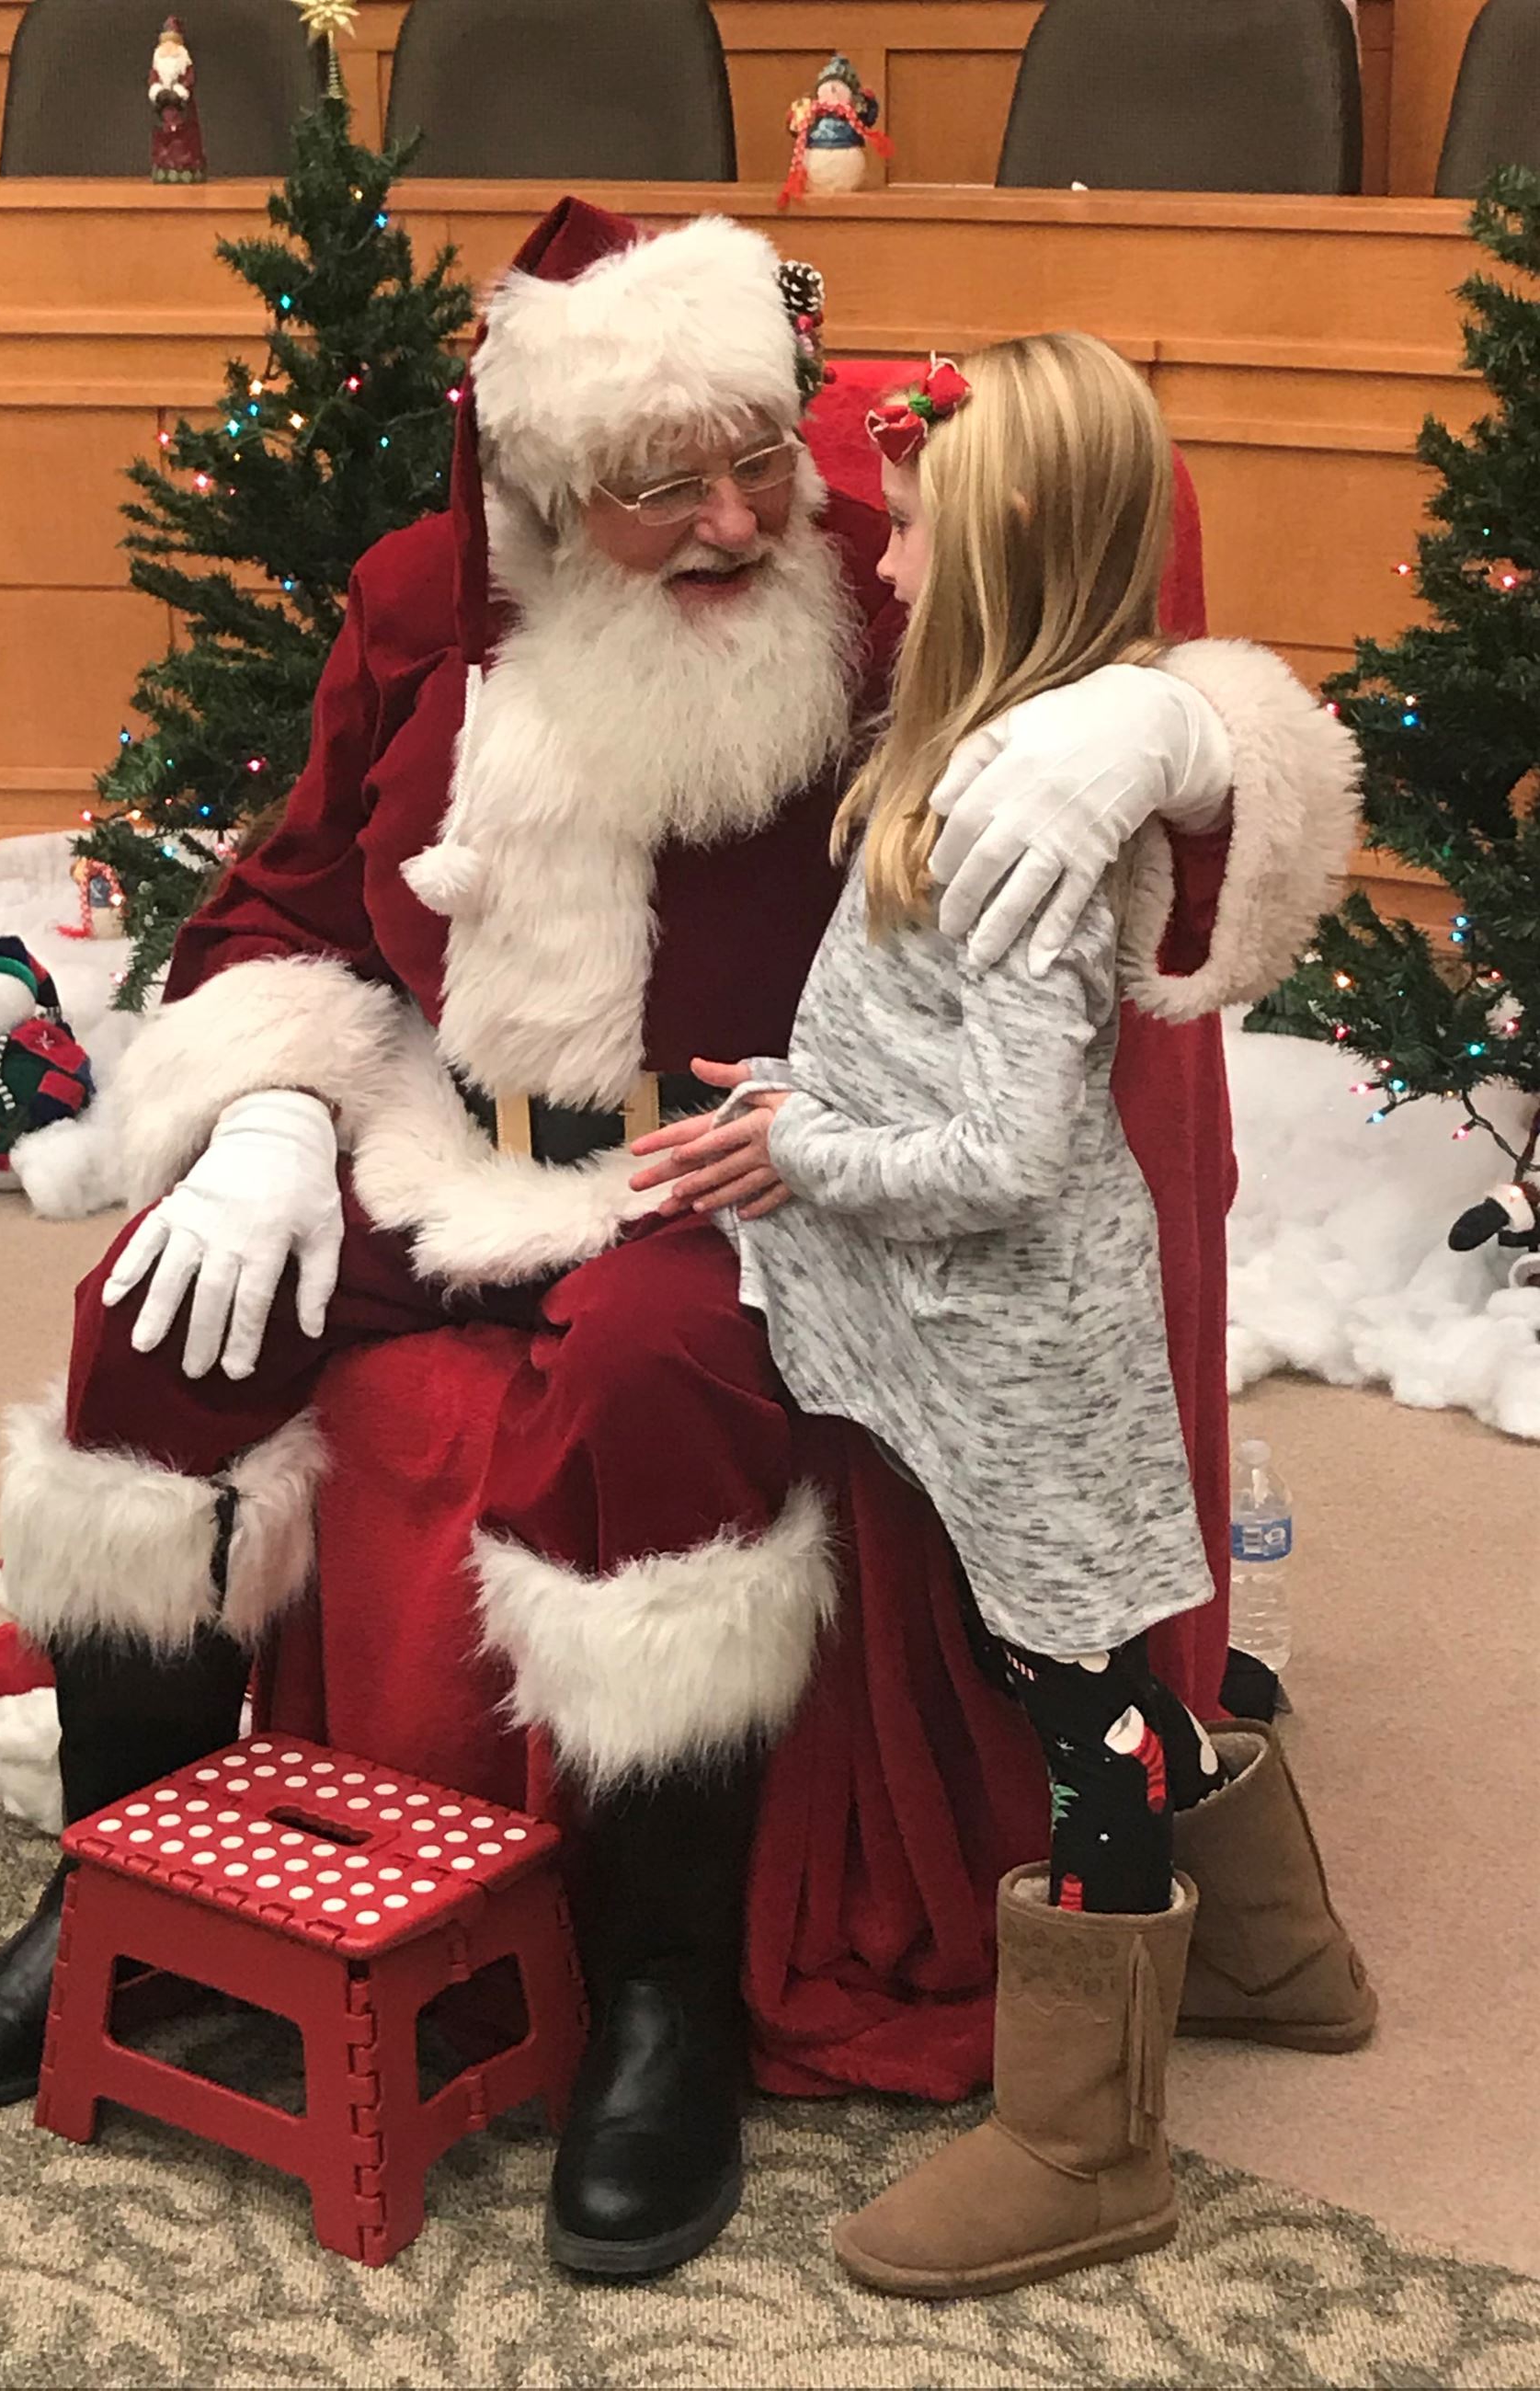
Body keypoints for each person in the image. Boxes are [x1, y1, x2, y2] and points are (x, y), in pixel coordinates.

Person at [0, 200, 1361, 2279]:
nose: (735, 517)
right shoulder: (424, 606)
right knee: (155, 1324)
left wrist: (1185, 729)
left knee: (658, 1385)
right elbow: (291, 896)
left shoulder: (879, 595)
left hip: (748, 1168)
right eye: (661, 483)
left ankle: (655, 1988)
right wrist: (276, 1112)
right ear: (550, 489)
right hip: (446, 1137)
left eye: (759, 455)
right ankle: (115, 1890)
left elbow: (1139, 723)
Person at [633, 334, 1374, 2301]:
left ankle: (1082, 2138)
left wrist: (803, 1148)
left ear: (1016, 547)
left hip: (1019, 1337)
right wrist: (809, 1092)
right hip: (979, 1338)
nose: (885, 571)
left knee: (1088, 1695)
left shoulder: (1011, 826)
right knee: (1066, 1636)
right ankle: (1279, 1959)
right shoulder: (971, 757)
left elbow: (1005, 1155)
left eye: (924, 542)